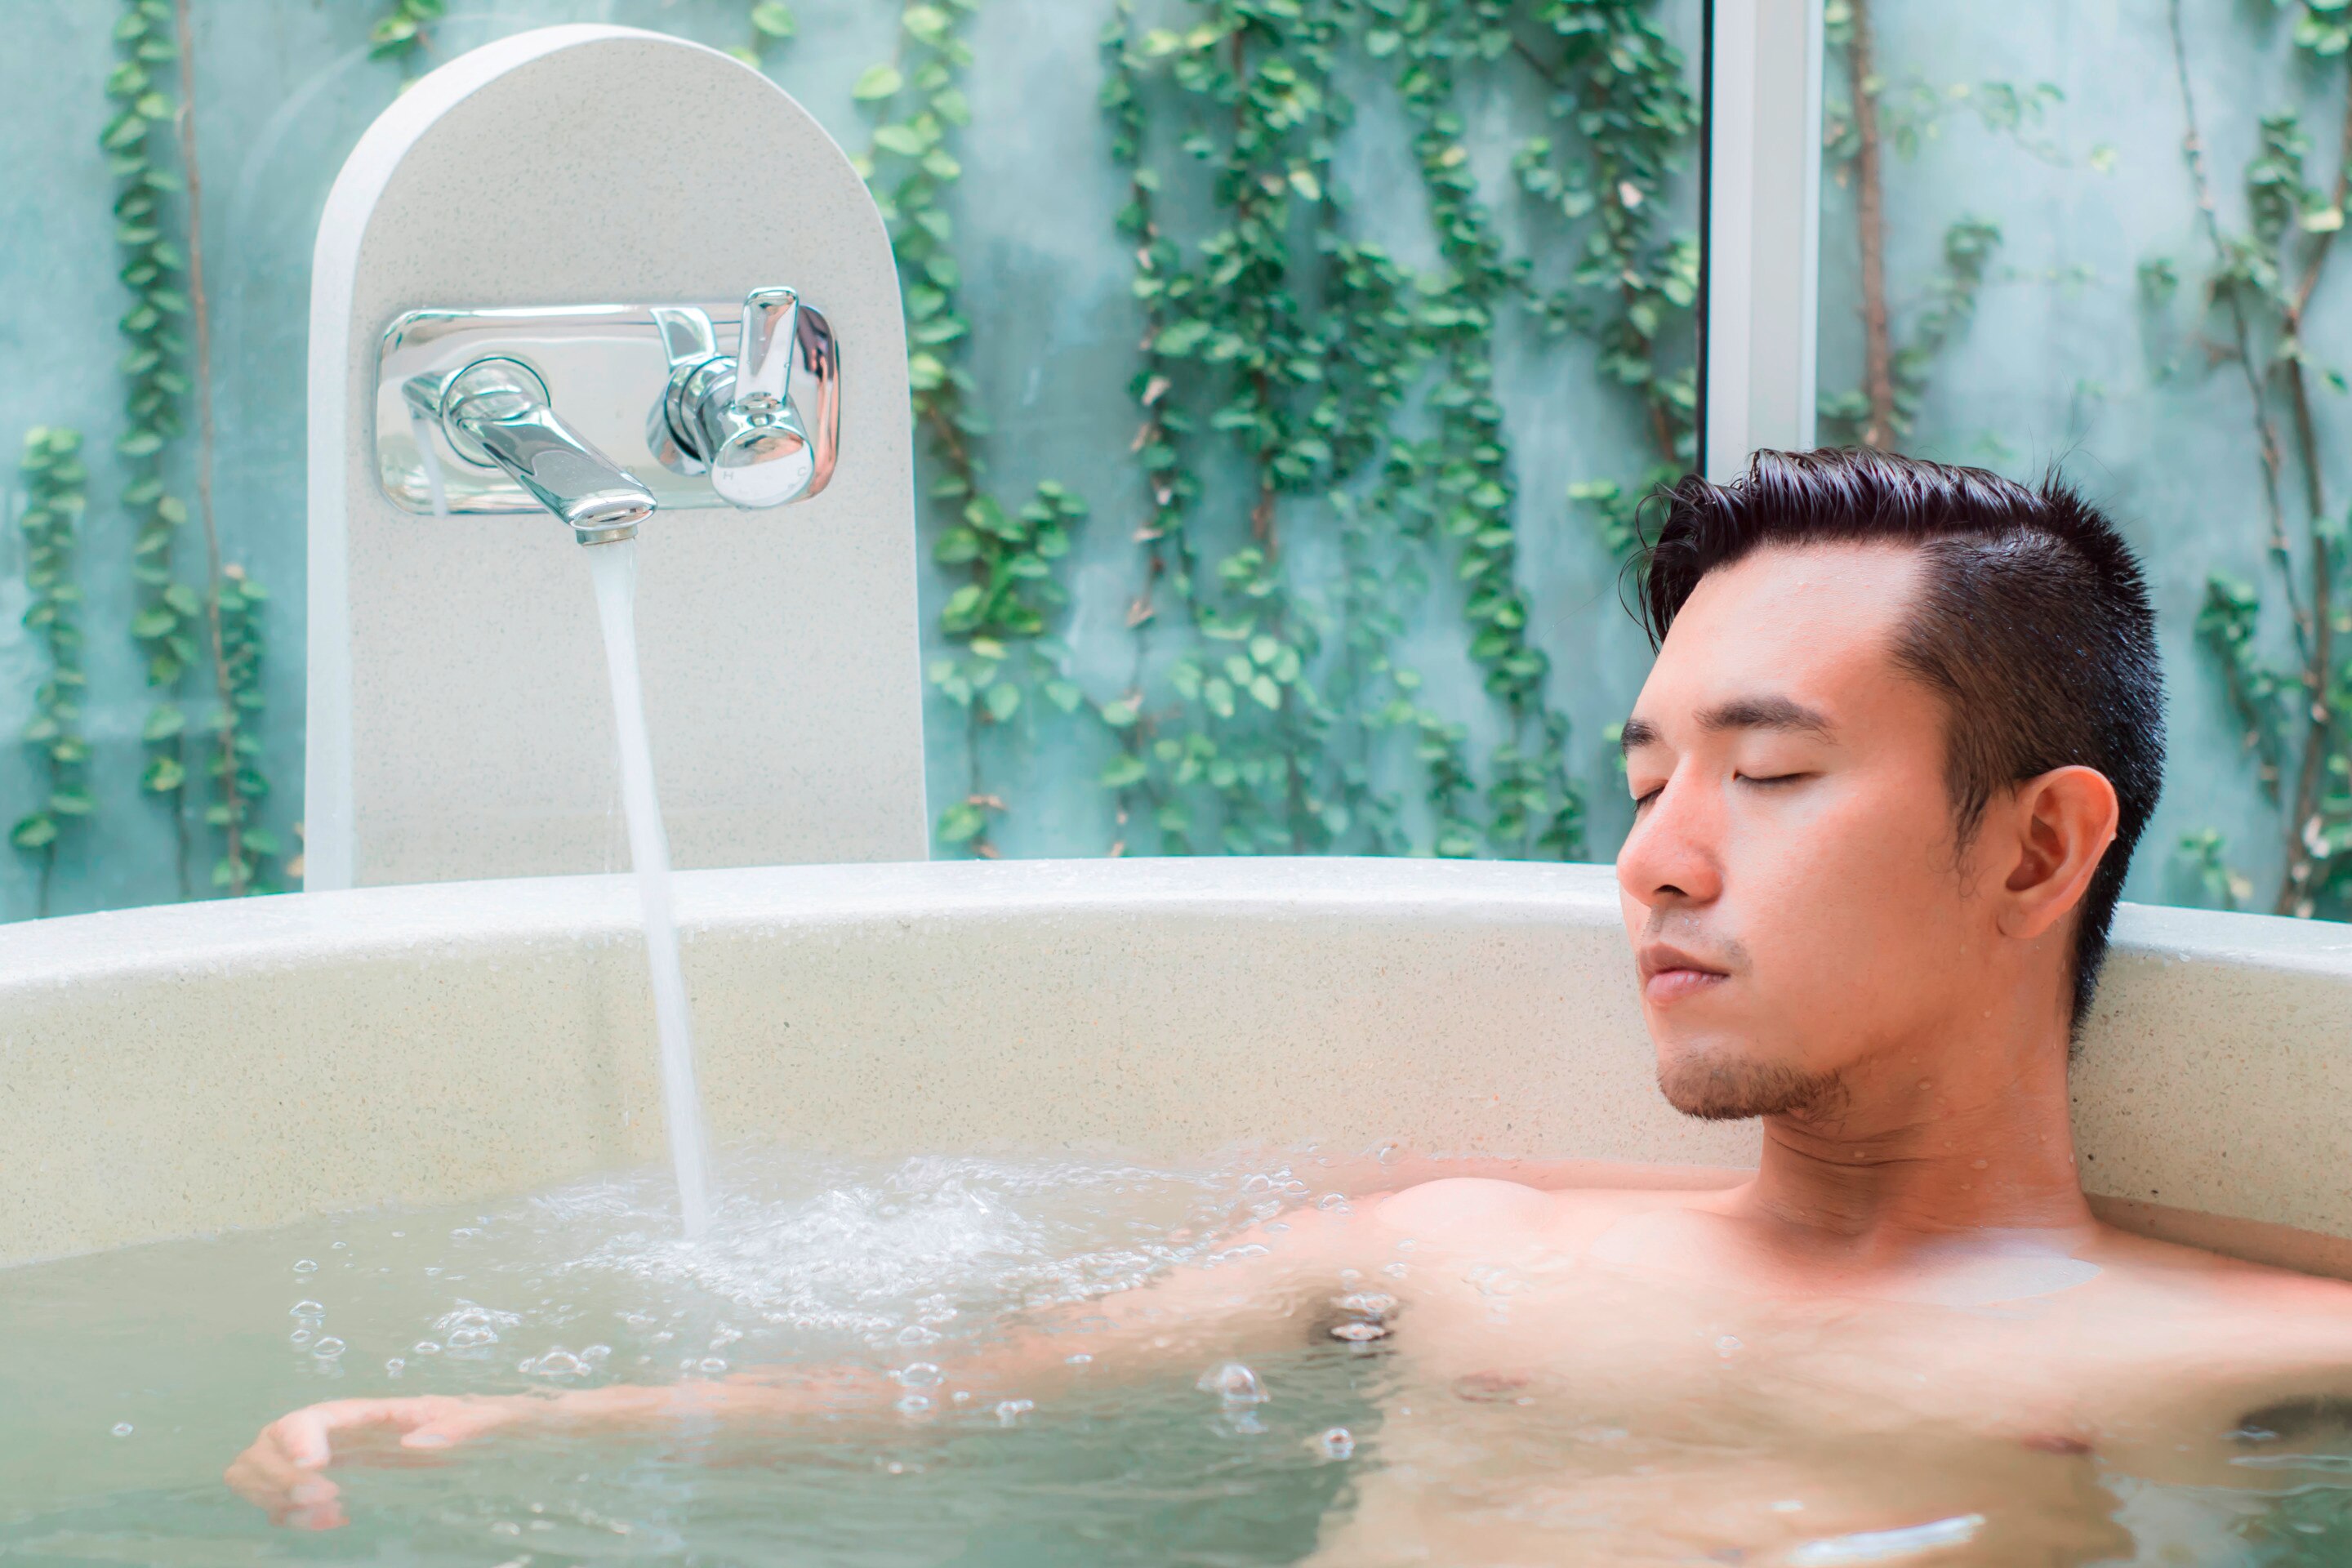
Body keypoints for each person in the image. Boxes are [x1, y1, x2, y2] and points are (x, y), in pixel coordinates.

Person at [229, 448, 2352, 1561]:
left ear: (2038, 847)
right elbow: (932, 1400)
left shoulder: (2234, 1350)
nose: (1659, 858)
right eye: (1644, 782)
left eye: (1771, 777)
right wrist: (516, 1427)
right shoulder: (1451, 1252)